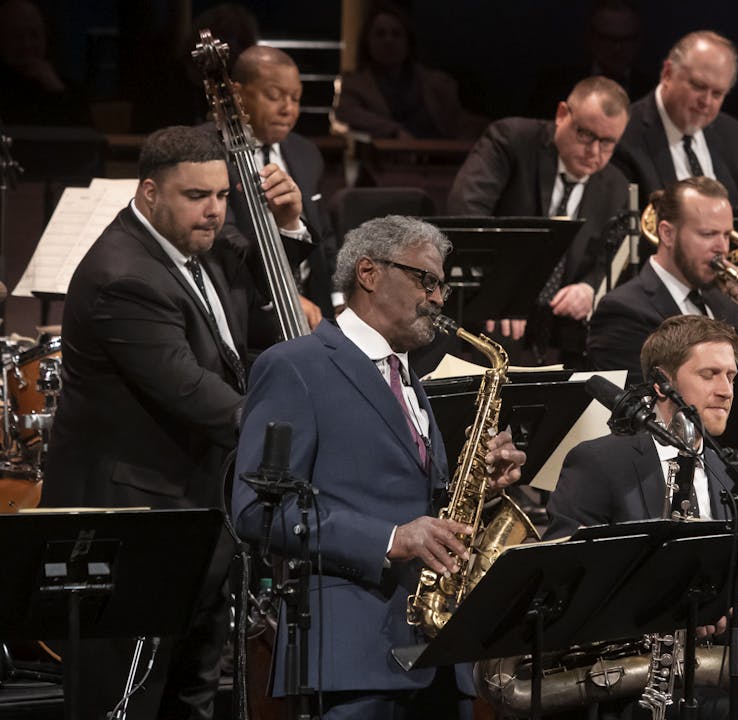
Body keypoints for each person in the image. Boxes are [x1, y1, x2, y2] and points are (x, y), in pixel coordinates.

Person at [231, 215, 527, 719]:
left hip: (436, 652)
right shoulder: (295, 365)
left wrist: (482, 490)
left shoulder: (408, 375)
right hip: (350, 656)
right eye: (426, 280)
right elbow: (257, 512)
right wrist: (389, 539)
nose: (437, 298)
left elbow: (417, 504)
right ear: (369, 272)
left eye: (442, 286)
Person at [40, 126, 258, 719]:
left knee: (191, 694)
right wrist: (293, 431)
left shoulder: (190, 247)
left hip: (186, 518)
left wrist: (286, 227)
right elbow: (193, 392)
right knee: (126, 703)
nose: (214, 212)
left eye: (222, 195)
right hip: (130, 533)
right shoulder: (125, 275)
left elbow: (250, 314)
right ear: (149, 192)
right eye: (196, 196)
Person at [548, 315, 738, 720]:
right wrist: (678, 608)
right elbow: (566, 587)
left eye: (731, 376)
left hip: (717, 677)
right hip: (631, 687)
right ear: (662, 382)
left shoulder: (725, 472)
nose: (726, 391)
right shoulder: (600, 461)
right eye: (710, 374)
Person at [446, 75, 631, 365]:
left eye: (608, 143)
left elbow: (611, 254)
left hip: (558, 328)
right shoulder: (511, 140)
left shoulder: (615, 185)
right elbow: (466, 215)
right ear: (562, 115)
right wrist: (505, 290)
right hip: (487, 312)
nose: (594, 152)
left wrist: (589, 288)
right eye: (585, 134)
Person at [588, 176, 738, 385]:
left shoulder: (726, 302)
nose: (722, 248)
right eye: (708, 234)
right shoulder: (622, 309)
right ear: (667, 234)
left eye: (726, 235)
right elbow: (637, 403)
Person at [225, 44, 339, 351]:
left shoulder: (306, 152)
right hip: (250, 310)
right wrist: (283, 295)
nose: (288, 109)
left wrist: (340, 301)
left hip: (314, 307)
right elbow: (224, 244)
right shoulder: (208, 153)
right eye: (275, 96)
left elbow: (324, 236)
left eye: (296, 98)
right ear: (238, 94)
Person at [611, 30, 738, 208]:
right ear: (667, 73)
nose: (706, 102)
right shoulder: (623, 134)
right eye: (698, 86)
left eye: (717, 94)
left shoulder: (736, 136)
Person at [331, 1, 475, 140]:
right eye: (380, 34)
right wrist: (394, 131)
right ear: (367, 42)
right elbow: (345, 112)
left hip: (440, 158)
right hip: (386, 160)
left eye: (397, 34)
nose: (389, 41)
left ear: (408, 42)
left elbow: (458, 124)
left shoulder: (437, 83)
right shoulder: (356, 84)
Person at [526, 0, 652, 118]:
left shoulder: (652, 92)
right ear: (592, 38)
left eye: (626, 40)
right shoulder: (554, 86)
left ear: (638, 41)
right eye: (609, 39)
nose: (617, 48)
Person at [0, 0, 92, 126]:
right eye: (17, 36)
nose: (27, 44)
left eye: (34, 35)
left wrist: (57, 91)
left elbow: (86, 138)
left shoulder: (67, 89)